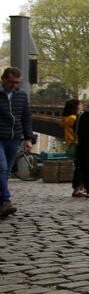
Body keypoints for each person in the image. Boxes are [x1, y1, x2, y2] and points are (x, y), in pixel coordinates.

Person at [0, 67, 34, 218]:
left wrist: (28, 138)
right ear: (4, 79)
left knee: (5, 172)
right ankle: (5, 202)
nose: (15, 86)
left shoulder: (21, 95)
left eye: (18, 83)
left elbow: (26, 118)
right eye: (12, 82)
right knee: (1, 168)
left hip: (14, 138)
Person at [61, 99, 84, 197]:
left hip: (72, 143)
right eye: (80, 104)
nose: (82, 105)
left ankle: (79, 188)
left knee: (79, 166)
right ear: (75, 107)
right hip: (79, 144)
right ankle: (78, 188)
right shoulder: (73, 118)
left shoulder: (66, 119)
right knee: (81, 167)